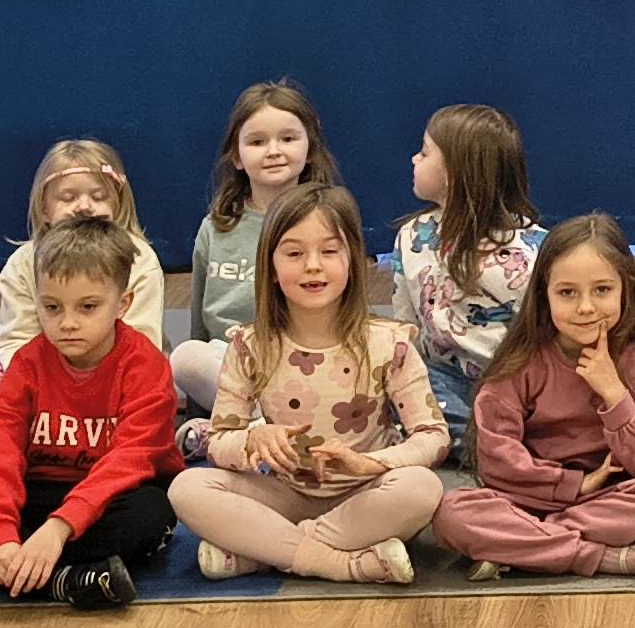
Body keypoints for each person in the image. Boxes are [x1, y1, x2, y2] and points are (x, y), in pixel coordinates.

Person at [169, 184, 446, 586]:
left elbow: (432, 436)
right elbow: (219, 441)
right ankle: (342, 563)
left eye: (329, 251)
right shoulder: (249, 345)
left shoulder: (391, 343)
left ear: (352, 260)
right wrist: (253, 439)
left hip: (365, 494)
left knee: (421, 488)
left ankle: (263, 554)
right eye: (294, 254)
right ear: (271, 267)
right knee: (187, 488)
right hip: (282, 495)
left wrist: (374, 464)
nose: (313, 266)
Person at [0, 218, 178, 609]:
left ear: (122, 304)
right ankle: (68, 580)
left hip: (111, 497)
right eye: (52, 307)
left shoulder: (146, 366)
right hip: (39, 493)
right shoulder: (28, 364)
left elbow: (131, 460)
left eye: (88, 307)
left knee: (153, 514)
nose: (68, 323)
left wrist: (59, 529)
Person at [429, 215, 635, 581]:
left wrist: (614, 393)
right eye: (567, 293)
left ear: (625, 290)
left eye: (602, 290)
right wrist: (572, 484)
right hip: (526, 500)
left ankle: (525, 547)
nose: (585, 307)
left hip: (609, 501)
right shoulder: (521, 363)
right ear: (545, 295)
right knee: (452, 513)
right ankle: (603, 557)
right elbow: (496, 457)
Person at [0, 140, 166, 459]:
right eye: (68, 198)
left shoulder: (139, 259)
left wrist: (91, 386)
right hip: (46, 384)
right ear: (44, 208)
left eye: (98, 196)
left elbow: (145, 344)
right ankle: (67, 436)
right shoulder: (22, 263)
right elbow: (16, 341)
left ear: (118, 202)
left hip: (112, 385)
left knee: (153, 395)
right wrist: (48, 387)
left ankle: (7, 437)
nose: (84, 206)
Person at [394, 102, 544, 461]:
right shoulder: (411, 236)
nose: (414, 159)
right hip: (444, 381)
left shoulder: (532, 252)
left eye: (424, 152)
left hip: (516, 387)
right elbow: (405, 326)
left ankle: (501, 445)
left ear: (454, 173)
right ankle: (497, 447)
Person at [177, 81, 332, 417]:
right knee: (187, 357)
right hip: (231, 362)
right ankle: (261, 423)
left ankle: (272, 422)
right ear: (236, 156)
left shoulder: (326, 222)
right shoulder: (216, 227)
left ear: (310, 149)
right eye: (257, 142)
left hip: (301, 362)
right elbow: (199, 322)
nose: (273, 151)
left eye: (288, 139)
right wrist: (197, 411)